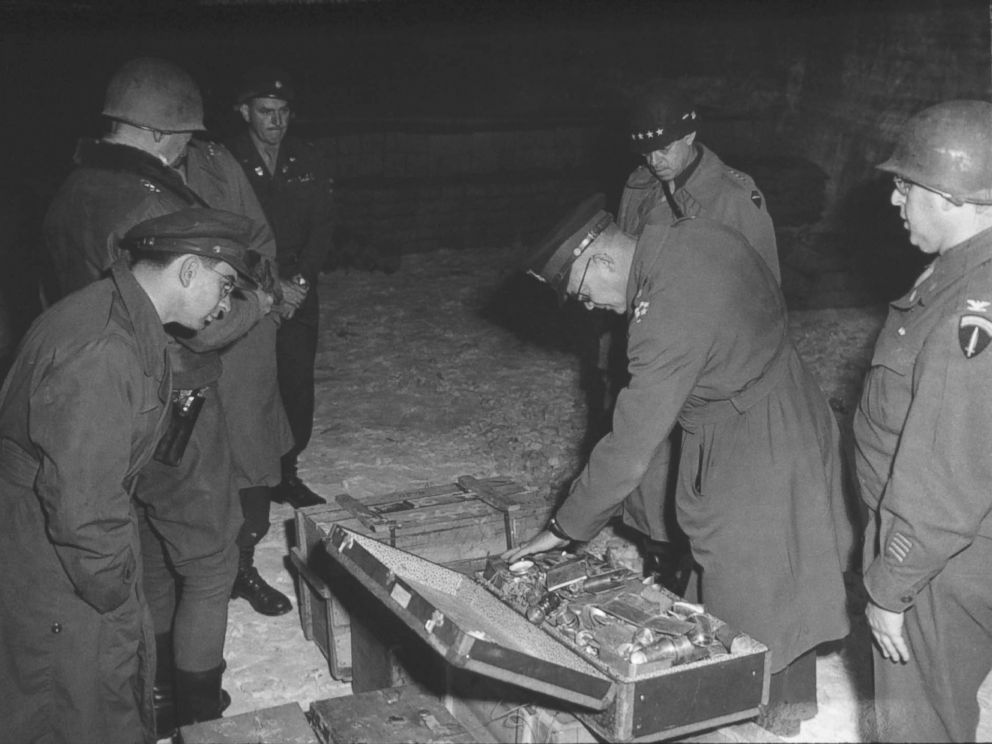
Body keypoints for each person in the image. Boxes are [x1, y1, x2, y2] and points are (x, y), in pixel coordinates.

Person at [506, 194, 852, 736]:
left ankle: (746, 717)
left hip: (751, 431)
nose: (592, 307)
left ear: (599, 259)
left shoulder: (664, 314)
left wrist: (563, 527)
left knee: (744, 578)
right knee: (778, 558)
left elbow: (630, 445)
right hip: (780, 393)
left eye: (583, 294)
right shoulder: (690, 234)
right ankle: (785, 697)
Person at [42, 56, 294, 737]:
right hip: (173, 401)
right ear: (163, 136)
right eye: (184, 137)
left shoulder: (69, 193)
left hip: (103, 405)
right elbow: (203, 322)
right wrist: (257, 303)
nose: (188, 149)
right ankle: (199, 709)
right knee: (210, 561)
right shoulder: (159, 206)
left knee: (151, 554)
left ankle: (151, 699)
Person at [0, 209, 257, 744]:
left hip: (51, 552)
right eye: (225, 285)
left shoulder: (113, 316)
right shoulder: (104, 351)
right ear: (189, 270)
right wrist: (118, 598)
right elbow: (81, 509)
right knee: (79, 708)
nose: (225, 307)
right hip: (55, 569)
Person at [854, 99, 992, 743]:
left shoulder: (970, 313)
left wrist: (891, 587)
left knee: (914, 726)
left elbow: (944, 475)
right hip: (962, 547)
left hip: (940, 563)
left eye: (906, 185)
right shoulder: (965, 272)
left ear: (946, 193)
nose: (896, 199)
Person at [609, 84, 783, 590]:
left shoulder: (732, 195)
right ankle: (660, 553)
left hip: (711, 361)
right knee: (651, 463)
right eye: (646, 150)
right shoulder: (639, 184)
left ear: (691, 134)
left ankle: (695, 562)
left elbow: (764, 292)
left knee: (700, 467)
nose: (656, 159)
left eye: (665, 147)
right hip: (653, 344)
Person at [226, 65, 335, 509]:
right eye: (266, 111)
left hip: (299, 290)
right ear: (244, 112)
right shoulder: (224, 160)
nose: (277, 121)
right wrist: (273, 285)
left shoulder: (306, 157)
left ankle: (287, 473)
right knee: (250, 386)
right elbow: (228, 233)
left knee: (295, 384)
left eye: (284, 111)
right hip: (246, 289)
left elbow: (323, 227)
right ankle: (252, 477)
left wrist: (301, 282)